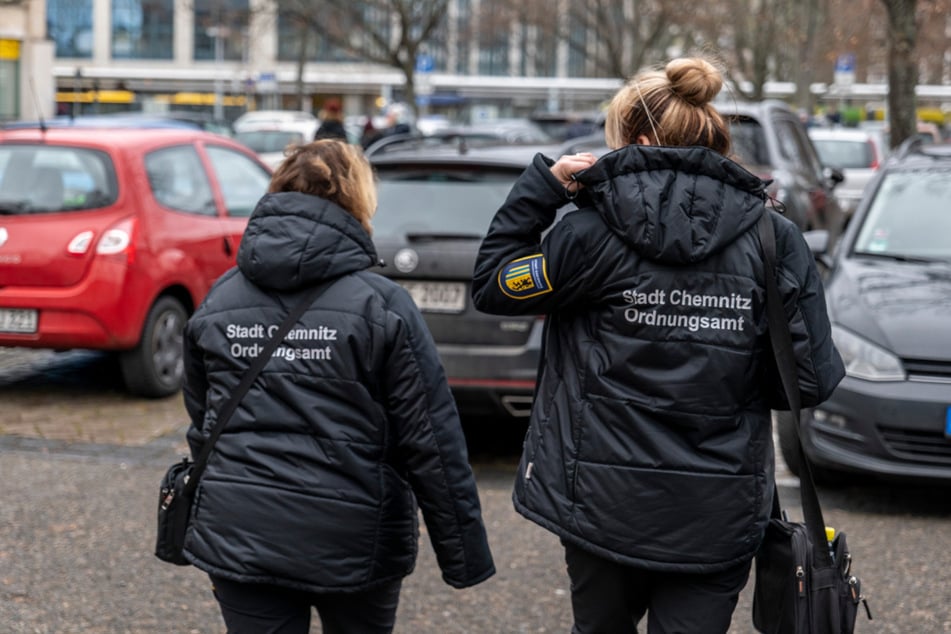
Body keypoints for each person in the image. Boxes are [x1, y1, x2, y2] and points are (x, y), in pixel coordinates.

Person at [471, 57, 844, 633]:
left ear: (640, 139)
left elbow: (494, 284)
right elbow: (809, 379)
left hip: (599, 502)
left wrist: (543, 188)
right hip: (717, 512)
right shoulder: (775, 237)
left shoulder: (587, 233)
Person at [181, 139, 495, 634]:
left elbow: (203, 420)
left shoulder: (220, 298)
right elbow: (431, 439)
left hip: (242, 529)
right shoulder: (382, 304)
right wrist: (464, 556)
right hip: (354, 536)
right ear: (357, 200)